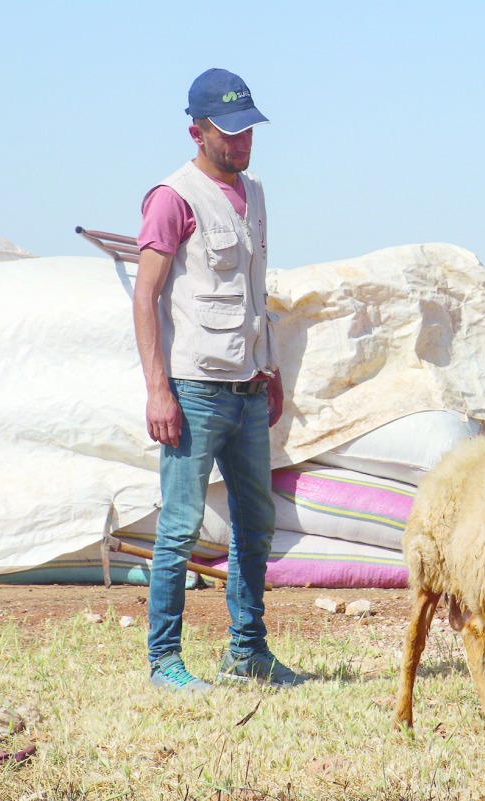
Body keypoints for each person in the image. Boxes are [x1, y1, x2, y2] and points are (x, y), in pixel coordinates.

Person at [133, 68, 304, 691]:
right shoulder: (173, 197)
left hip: (250, 386)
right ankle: (164, 662)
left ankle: (247, 652)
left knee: (256, 523)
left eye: (249, 129)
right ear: (197, 131)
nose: (242, 142)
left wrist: (273, 368)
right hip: (195, 389)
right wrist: (158, 389)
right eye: (229, 132)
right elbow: (146, 297)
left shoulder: (254, 193)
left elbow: (256, 294)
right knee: (179, 527)